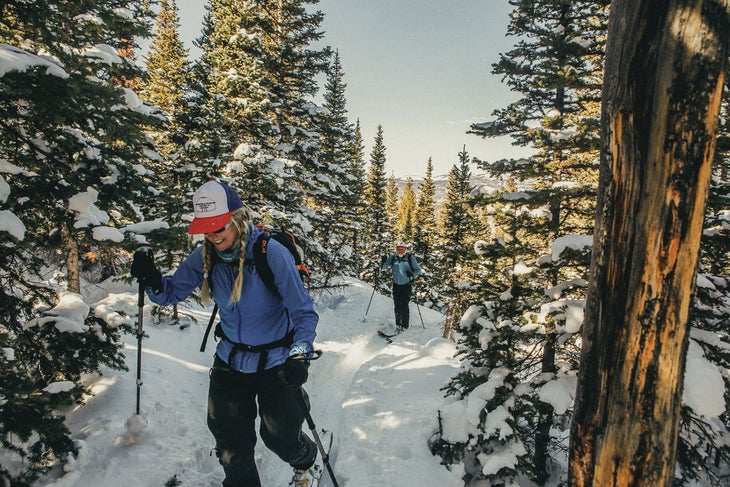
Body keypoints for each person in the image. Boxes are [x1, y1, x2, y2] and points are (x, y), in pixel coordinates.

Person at [130, 179, 320, 487]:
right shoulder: (205, 255)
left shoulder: (270, 253)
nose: (213, 236)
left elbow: (303, 312)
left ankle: (305, 459)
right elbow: (170, 293)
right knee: (231, 448)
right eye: (207, 228)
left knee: (279, 439)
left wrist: (300, 354)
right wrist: (151, 277)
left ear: (238, 220)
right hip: (230, 361)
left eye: (219, 228)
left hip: (277, 362)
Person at [380, 241, 421, 331]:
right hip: (396, 285)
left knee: (404, 306)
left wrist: (412, 273)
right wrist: (383, 261)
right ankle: (398, 325)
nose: (400, 250)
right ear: (396, 249)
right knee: (397, 306)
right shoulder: (393, 257)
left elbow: (418, 270)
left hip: (406, 285)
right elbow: (384, 267)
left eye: (402, 249)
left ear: (405, 249)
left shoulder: (410, 258)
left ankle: (405, 326)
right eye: (399, 249)